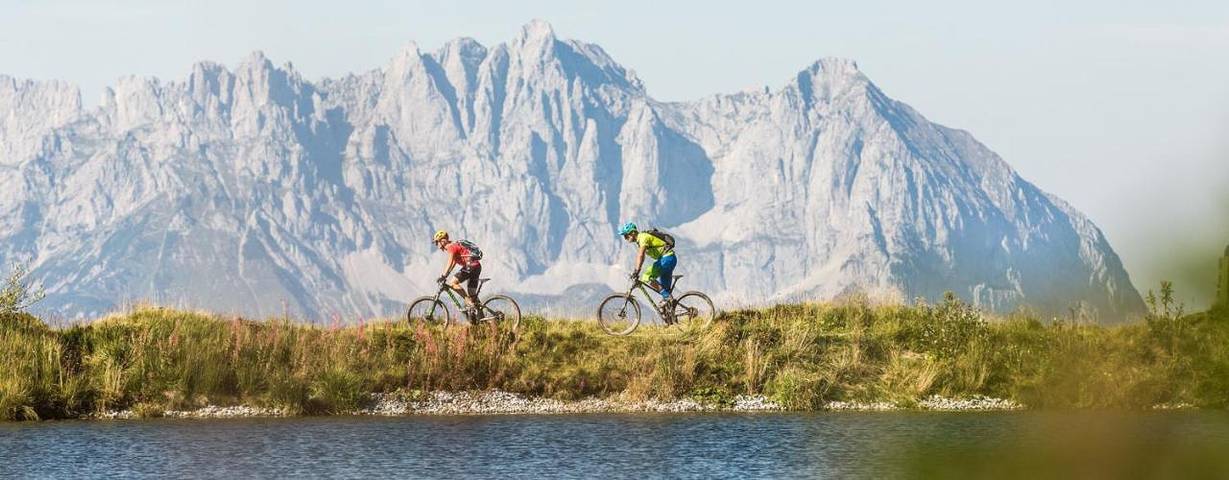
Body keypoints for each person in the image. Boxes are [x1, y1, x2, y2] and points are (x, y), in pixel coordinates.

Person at [618, 222, 676, 309]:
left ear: (633, 233)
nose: (625, 238)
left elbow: (641, 255)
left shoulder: (642, 237)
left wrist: (637, 270)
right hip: (669, 259)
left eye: (626, 235)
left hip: (666, 259)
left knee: (646, 276)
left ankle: (668, 298)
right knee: (665, 291)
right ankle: (672, 318)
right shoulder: (641, 239)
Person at [432, 230, 481, 317]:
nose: (437, 246)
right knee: (472, 293)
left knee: (453, 283)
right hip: (476, 266)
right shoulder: (454, 246)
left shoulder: (451, 247)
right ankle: (482, 317)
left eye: (437, 242)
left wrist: (443, 275)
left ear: (443, 241)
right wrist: (446, 275)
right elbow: (454, 262)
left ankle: (469, 303)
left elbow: (450, 261)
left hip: (471, 266)